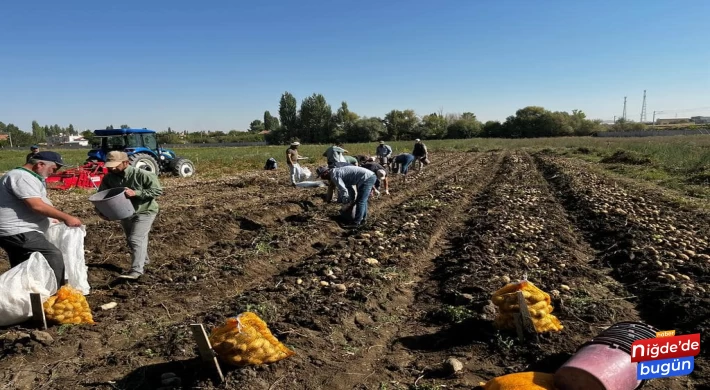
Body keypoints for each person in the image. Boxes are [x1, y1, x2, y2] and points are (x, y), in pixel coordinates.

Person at [0, 151, 83, 287]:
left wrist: (49, 219)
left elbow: (24, 205)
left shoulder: (26, 176)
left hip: (16, 231)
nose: (54, 172)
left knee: (24, 267)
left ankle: (26, 298)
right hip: (19, 231)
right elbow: (36, 205)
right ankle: (57, 295)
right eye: (54, 168)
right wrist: (66, 217)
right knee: (52, 255)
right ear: (40, 164)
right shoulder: (22, 177)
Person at [96, 151, 163, 280]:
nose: (112, 168)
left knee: (136, 239)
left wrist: (136, 193)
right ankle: (144, 261)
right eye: (110, 165)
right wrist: (101, 211)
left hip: (145, 210)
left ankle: (137, 271)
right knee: (132, 240)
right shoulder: (109, 178)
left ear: (126, 162)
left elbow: (157, 190)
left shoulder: (143, 174)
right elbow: (102, 195)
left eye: (115, 165)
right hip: (125, 212)